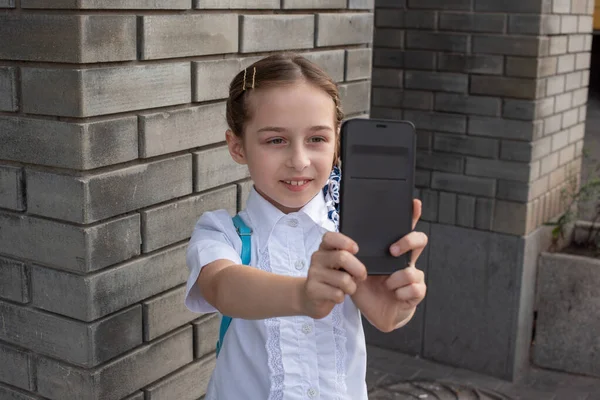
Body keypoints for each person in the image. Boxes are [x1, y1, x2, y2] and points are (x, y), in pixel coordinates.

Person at [184, 53, 428, 400]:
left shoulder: (350, 236)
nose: (299, 161)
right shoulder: (221, 232)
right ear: (237, 146)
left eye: (317, 139)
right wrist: (303, 295)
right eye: (275, 140)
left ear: (337, 144)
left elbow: (386, 317)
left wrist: (397, 308)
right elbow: (223, 287)